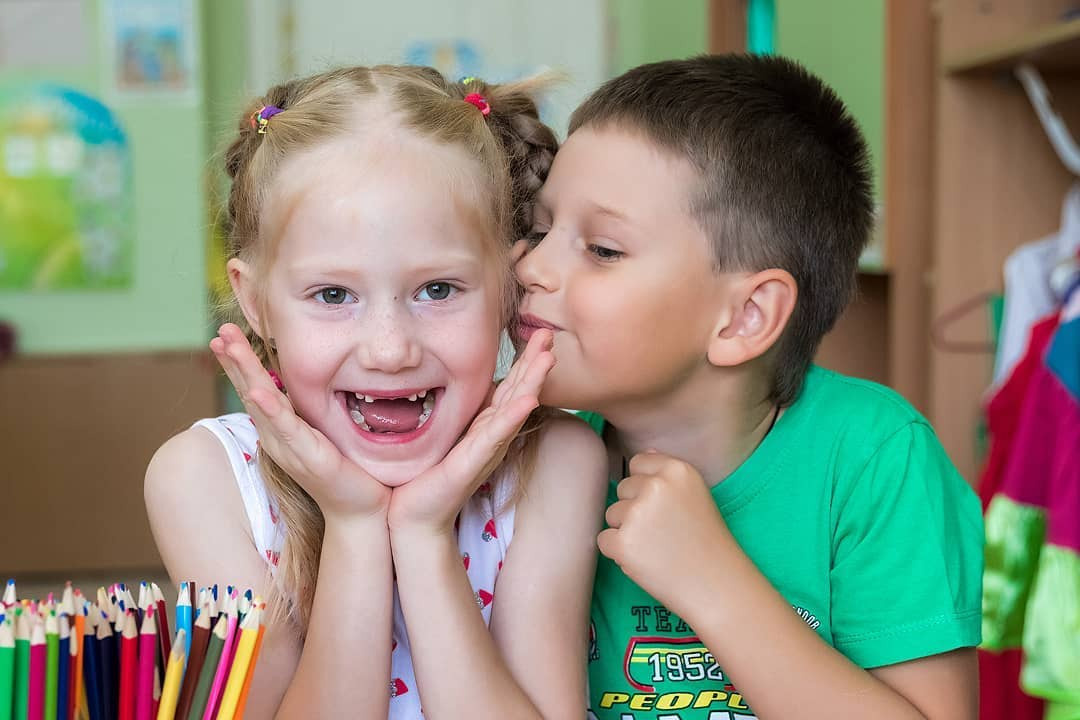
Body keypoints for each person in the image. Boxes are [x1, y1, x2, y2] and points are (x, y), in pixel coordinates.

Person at [515, 54, 983, 719]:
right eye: (538, 231)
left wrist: (711, 581)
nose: (531, 267)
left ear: (746, 317)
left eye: (603, 249)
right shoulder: (535, 462)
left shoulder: (876, 459)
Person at [145, 65, 608, 718]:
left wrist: (424, 535)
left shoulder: (555, 460)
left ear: (508, 286)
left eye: (438, 289)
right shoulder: (204, 479)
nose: (390, 351)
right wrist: (355, 525)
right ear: (255, 302)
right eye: (333, 294)